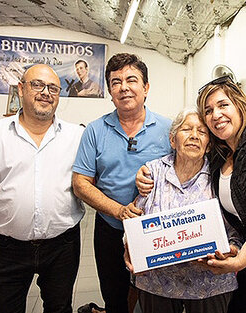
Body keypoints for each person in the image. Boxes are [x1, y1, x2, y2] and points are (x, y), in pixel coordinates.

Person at [137, 76, 246, 313]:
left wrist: (239, 258)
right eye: (208, 110)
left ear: (239, 104)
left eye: (222, 105)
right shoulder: (221, 157)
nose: (215, 114)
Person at [0, 64, 84, 313]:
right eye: (37, 85)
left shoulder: (76, 136)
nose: (45, 92)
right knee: (5, 307)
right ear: (21, 89)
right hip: (8, 247)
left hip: (62, 246)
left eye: (53, 88)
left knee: (60, 307)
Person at [72, 53, 172, 313]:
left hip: (156, 229)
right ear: (109, 91)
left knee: (156, 298)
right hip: (110, 228)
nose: (124, 87)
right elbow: (81, 183)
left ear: (146, 87)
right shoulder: (95, 130)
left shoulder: (168, 129)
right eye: (116, 82)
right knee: (114, 296)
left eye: (131, 80)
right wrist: (118, 211)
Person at [124, 109, 241, 313]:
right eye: (186, 129)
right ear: (173, 140)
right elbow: (135, 221)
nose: (194, 135)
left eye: (202, 132)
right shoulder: (153, 172)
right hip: (157, 283)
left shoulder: (220, 175)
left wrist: (233, 249)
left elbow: (236, 229)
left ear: (209, 144)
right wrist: (130, 248)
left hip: (209, 284)